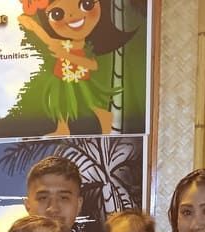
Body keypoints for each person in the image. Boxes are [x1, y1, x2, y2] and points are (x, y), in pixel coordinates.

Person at [16, 0, 135, 136]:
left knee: (89, 103)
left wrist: (65, 55)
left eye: (87, 5)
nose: (73, 16)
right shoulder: (65, 42)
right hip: (61, 77)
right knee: (59, 103)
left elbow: (93, 65)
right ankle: (63, 128)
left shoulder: (80, 44)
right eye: (57, 14)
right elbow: (48, 40)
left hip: (78, 78)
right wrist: (33, 26)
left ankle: (104, 118)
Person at [23, 155, 103, 232]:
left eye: (64, 198)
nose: (53, 208)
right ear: (28, 205)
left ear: (79, 204)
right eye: (43, 198)